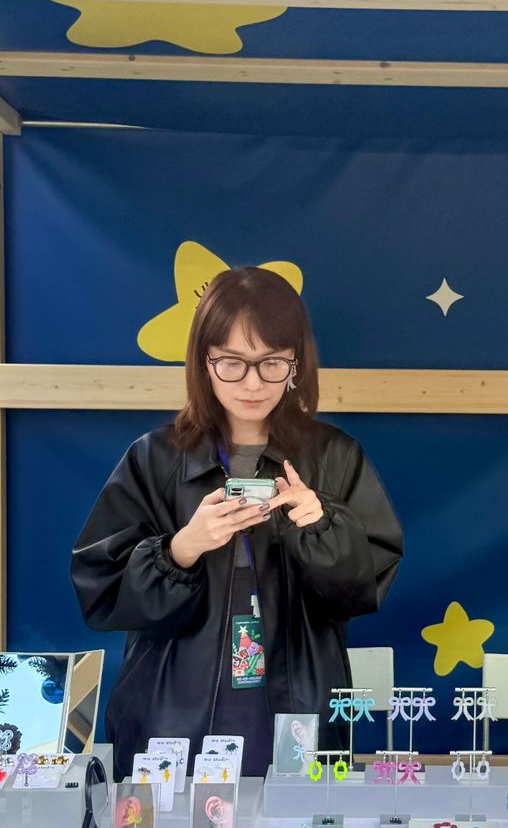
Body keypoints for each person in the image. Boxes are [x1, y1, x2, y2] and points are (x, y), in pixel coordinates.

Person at [71, 267, 403, 777]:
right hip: (172, 710)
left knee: (295, 821)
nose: (252, 383)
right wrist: (181, 549)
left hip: (295, 704)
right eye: (231, 363)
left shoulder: (335, 457)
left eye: (271, 363)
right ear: (204, 362)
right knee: (175, 825)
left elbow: (364, 589)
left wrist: (321, 529)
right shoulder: (155, 458)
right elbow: (101, 590)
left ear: (296, 364)